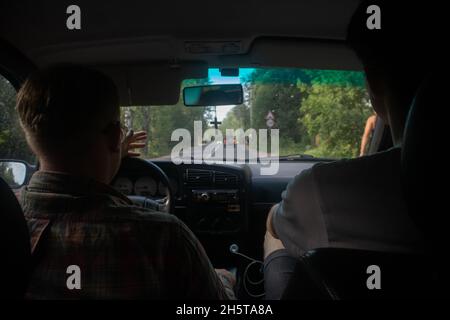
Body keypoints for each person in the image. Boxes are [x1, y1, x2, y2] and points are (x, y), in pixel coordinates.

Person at [17, 64, 235, 299]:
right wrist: (223, 279)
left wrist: (113, 151)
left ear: (31, 138)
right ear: (114, 135)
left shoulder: (9, 220)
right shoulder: (164, 237)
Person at [263, 1, 432, 299]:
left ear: (374, 88)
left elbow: (274, 224)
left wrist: (274, 216)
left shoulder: (318, 191)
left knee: (274, 241)